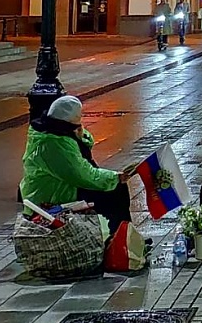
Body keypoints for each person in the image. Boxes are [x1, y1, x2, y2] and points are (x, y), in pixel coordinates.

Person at [19, 95, 135, 236]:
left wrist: (80, 135)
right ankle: (119, 237)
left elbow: (84, 146)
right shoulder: (54, 143)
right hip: (51, 196)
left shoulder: (51, 129)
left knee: (113, 189)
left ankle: (124, 235)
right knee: (115, 191)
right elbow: (81, 175)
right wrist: (114, 177)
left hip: (58, 187)